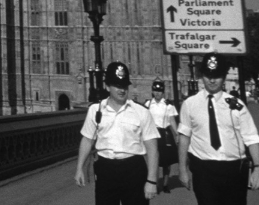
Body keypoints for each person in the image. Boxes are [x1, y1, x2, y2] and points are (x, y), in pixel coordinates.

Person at [178, 53, 259, 204]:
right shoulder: (190, 104)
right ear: (202, 76)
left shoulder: (236, 105)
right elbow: (184, 138)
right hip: (204, 170)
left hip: (234, 170)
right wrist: (182, 169)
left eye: (217, 75)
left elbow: (251, 137)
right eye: (208, 75)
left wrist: (257, 167)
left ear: (224, 77)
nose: (212, 80)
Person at [75, 61, 161, 203]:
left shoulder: (141, 112)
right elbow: (87, 140)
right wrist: (79, 169)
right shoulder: (95, 110)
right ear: (107, 86)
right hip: (106, 169)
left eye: (124, 86)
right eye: (117, 86)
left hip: (134, 169)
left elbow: (152, 149)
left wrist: (151, 181)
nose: (122, 90)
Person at [144, 79, 179, 191]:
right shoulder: (148, 104)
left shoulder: (168, 105)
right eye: (155, 90)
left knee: (166, 162)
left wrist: (177, 134)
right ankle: (155, 182)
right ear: (152, 91)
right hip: (153, 134)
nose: (157, 93)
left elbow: (172, 120)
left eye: (159, 91)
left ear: (163, 92)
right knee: (155, 159)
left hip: (165, 134)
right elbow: (144, 120)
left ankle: (165, 184)